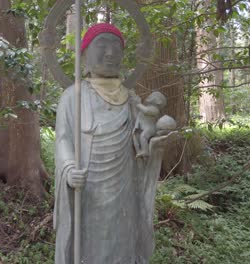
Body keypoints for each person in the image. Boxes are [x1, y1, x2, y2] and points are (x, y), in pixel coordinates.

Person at [54, 23, 174, 264]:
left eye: (116, 47)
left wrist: (155, 141)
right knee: (88, 245)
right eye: (102, 45)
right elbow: (63, 140)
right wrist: (68, 170)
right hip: (87, 188)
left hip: (124, 189)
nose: (110, 53)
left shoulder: (130, 99)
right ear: (85, 54)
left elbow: (141, 138)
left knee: (123, 243)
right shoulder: (72, 96)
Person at [133, 91, 167, 158]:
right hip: (145, 127)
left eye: (152, 96)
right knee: (139, 137)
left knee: (143, 136)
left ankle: (145, 151)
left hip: (151, 128)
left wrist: (138, 105)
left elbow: (146, 111)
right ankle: (140, 150)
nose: (150, 96)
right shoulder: (147, 107)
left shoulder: (155, 110)